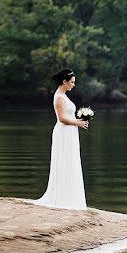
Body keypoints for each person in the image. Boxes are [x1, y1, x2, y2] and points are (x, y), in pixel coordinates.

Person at [34, 68, 89, 211]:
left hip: (70, 133)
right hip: (63, 132)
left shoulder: (63, 95)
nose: (73, 85)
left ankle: (70, 195)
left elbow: (68, 116)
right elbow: (62, 118)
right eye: (72, 82)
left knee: (70, 162)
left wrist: (80, 119)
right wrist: (78, 122)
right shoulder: (59, 97)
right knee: (64, 161)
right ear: (64, 81)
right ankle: (62, 197)